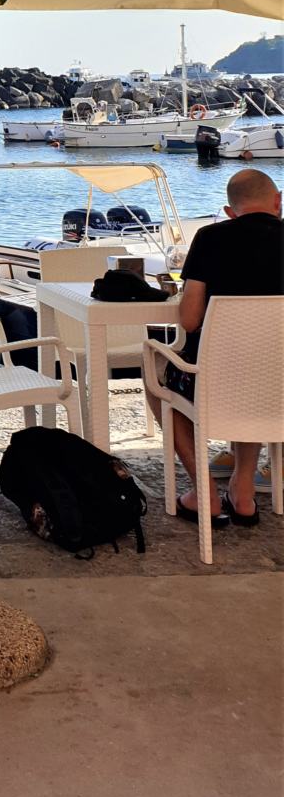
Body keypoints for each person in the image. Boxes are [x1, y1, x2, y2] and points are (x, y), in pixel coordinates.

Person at [155, 168, 283, 529]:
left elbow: (190, 320)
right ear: (278, 202)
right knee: (260, 373)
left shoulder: (211, 238)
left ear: (230, 212)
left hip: (214, 380)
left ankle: (205, 492)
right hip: (278, 382)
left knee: (157, 382)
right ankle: (242, 494)